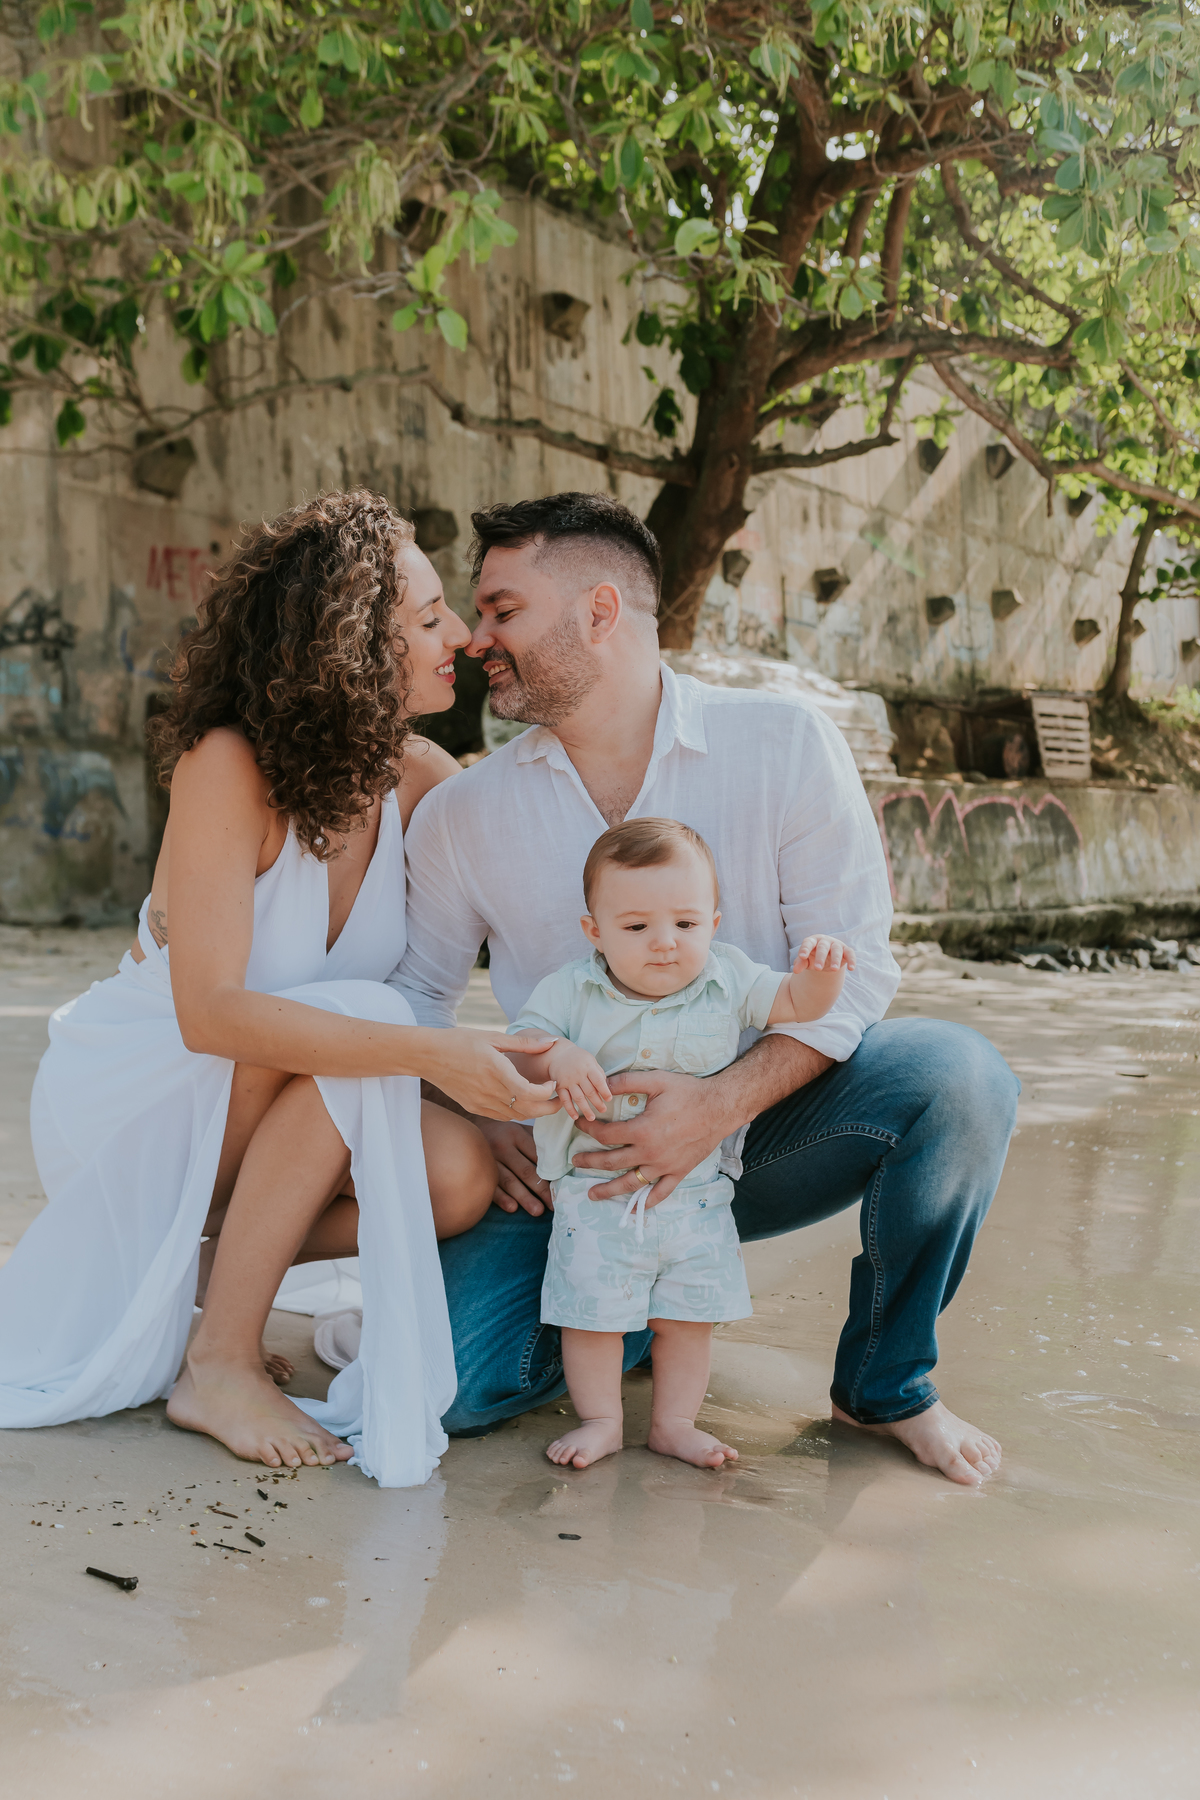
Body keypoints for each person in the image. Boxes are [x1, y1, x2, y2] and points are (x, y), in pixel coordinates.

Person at [394, 490, 1017, 1488]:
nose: (476, 639)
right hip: (578, 1165)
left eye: (502, 610)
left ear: (599, 613)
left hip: (763, 1131)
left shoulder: (783, 745)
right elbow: (410, 1009)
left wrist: (714, 1109)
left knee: (960, 1078)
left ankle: (887, 1387)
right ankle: (635, 1315)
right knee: (453, 1392)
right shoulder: (465, 815)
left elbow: (855, 976)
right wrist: (477, 1117)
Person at [0, 491, 557, 1485]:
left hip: (268, 1107)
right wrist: (438, 1058)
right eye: (429, 619)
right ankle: (214, 1365)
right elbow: (210, 1015)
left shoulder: (421, 780)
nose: (462, 637)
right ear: (350, 642)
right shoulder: (227, 766)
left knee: (463, 1174)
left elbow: (557, 860)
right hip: (145, 1094)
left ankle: (209, 1273)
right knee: (372, 1023)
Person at [505, 816, 854, 1472]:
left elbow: (794, 1004)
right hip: (596, 1196)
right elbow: (523, 1047)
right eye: (636, 927)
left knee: (690, 1321)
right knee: (592, 1319)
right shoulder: (571, 990)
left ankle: (673, 1423)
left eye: (686, 925)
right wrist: (560, 1055)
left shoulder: (729, 978)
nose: (665, 944)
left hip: (697, 1201)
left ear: (715, 923)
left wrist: (820, 977)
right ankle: (603, 1419)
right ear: (595, 932)